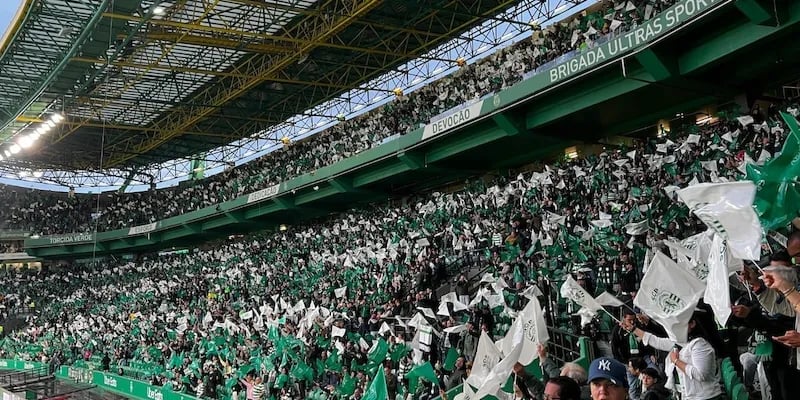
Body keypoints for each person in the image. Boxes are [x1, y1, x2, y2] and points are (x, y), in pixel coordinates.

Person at [624, 303, 724, 400]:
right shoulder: (680, 342)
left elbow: (701, 375)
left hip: (705, 397)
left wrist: (676, 361)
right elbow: (656, 341)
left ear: (692, 324)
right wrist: (633, 329)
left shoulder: (700, 344)